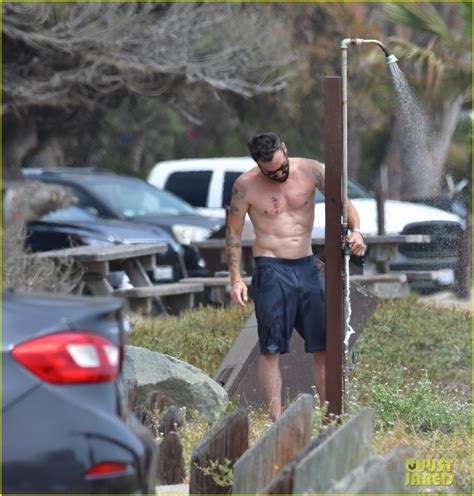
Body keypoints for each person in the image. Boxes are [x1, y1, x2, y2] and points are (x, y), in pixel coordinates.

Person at [224, 132, 365, 421]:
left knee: (324, 344)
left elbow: (343, 200)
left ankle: (330, 418)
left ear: (285, 150)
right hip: (271, 268)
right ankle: (276, 421)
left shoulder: (312, 170)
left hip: (306, 265)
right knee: (271, 347)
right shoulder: (245, 186)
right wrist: (236, 278)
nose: (279, 174)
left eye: (282, 167)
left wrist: (357, 230)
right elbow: (233, 234)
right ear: (258, 165)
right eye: (270, 172)